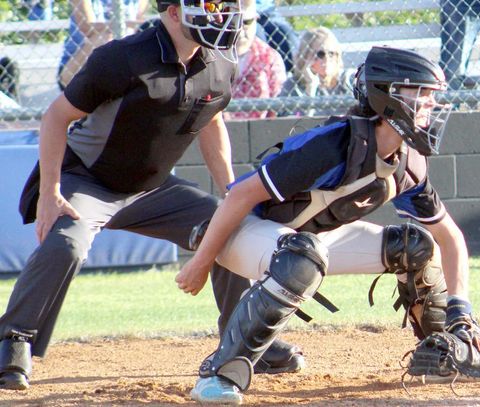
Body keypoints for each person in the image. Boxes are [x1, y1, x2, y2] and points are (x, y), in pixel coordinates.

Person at [176, 46, 480, 404]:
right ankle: (219, 375)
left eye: (430, 95)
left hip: (302, 242)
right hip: (244, 232)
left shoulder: (407, 163)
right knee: (304, 257)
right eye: (420, 94)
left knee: (416, 245)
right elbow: (239, 196)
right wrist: (201, 262)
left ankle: (441, 353)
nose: (429, 104)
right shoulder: (334, 146)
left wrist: (461, 312)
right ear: (388, 97)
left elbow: (450, 238)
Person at [0, 0, 295, 391]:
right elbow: (56, 116)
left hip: (153, 188)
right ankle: (14, 339)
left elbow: (212, 123)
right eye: (205, 5)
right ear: (173, 13)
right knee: (66, 244)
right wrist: (51, 191)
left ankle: (242, 340)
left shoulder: (220, 61)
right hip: (89, 180)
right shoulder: (123, 57)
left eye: (219, 5)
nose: (218, 15)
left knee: (230, 228)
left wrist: (230, 193)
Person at [57, 0, 149, 90]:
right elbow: (87, 28)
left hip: (122, 58)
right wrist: (120, 25)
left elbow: (141, 27)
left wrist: (124, 27)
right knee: (106, 38)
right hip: (75, 65)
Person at [227, 0, 286, 119]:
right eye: (233, 22)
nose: (239, 30)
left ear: (256, 19)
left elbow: (277, 110)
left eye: (246, 22)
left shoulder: (269, 58)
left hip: (260, 130)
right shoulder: (210, 56)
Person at [279, 27, 355, 116]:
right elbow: (297, 125)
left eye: (331, 53)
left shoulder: (348, 80)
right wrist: (311, 87)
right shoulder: (292, 85)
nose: (327, 59)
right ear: (305, 56)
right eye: (320, 54)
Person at [255, 0, 298, 73]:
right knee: (259, 39)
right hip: (246, 13)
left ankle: (290, 77)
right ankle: (261, 77)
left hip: (268, 10)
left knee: (286, 34)